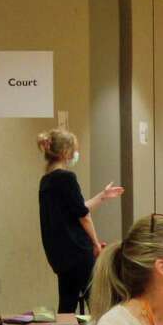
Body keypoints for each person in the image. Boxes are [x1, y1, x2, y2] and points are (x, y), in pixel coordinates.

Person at [37, 128, 123, 314]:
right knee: (97, 298)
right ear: (66, 152)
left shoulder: (47, 181)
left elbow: (76, 207)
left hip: (59, 253)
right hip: (77, 250)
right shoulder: (67, 178)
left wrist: (103, 196)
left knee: (67, 302)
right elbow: (83, 216)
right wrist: (95, 243)